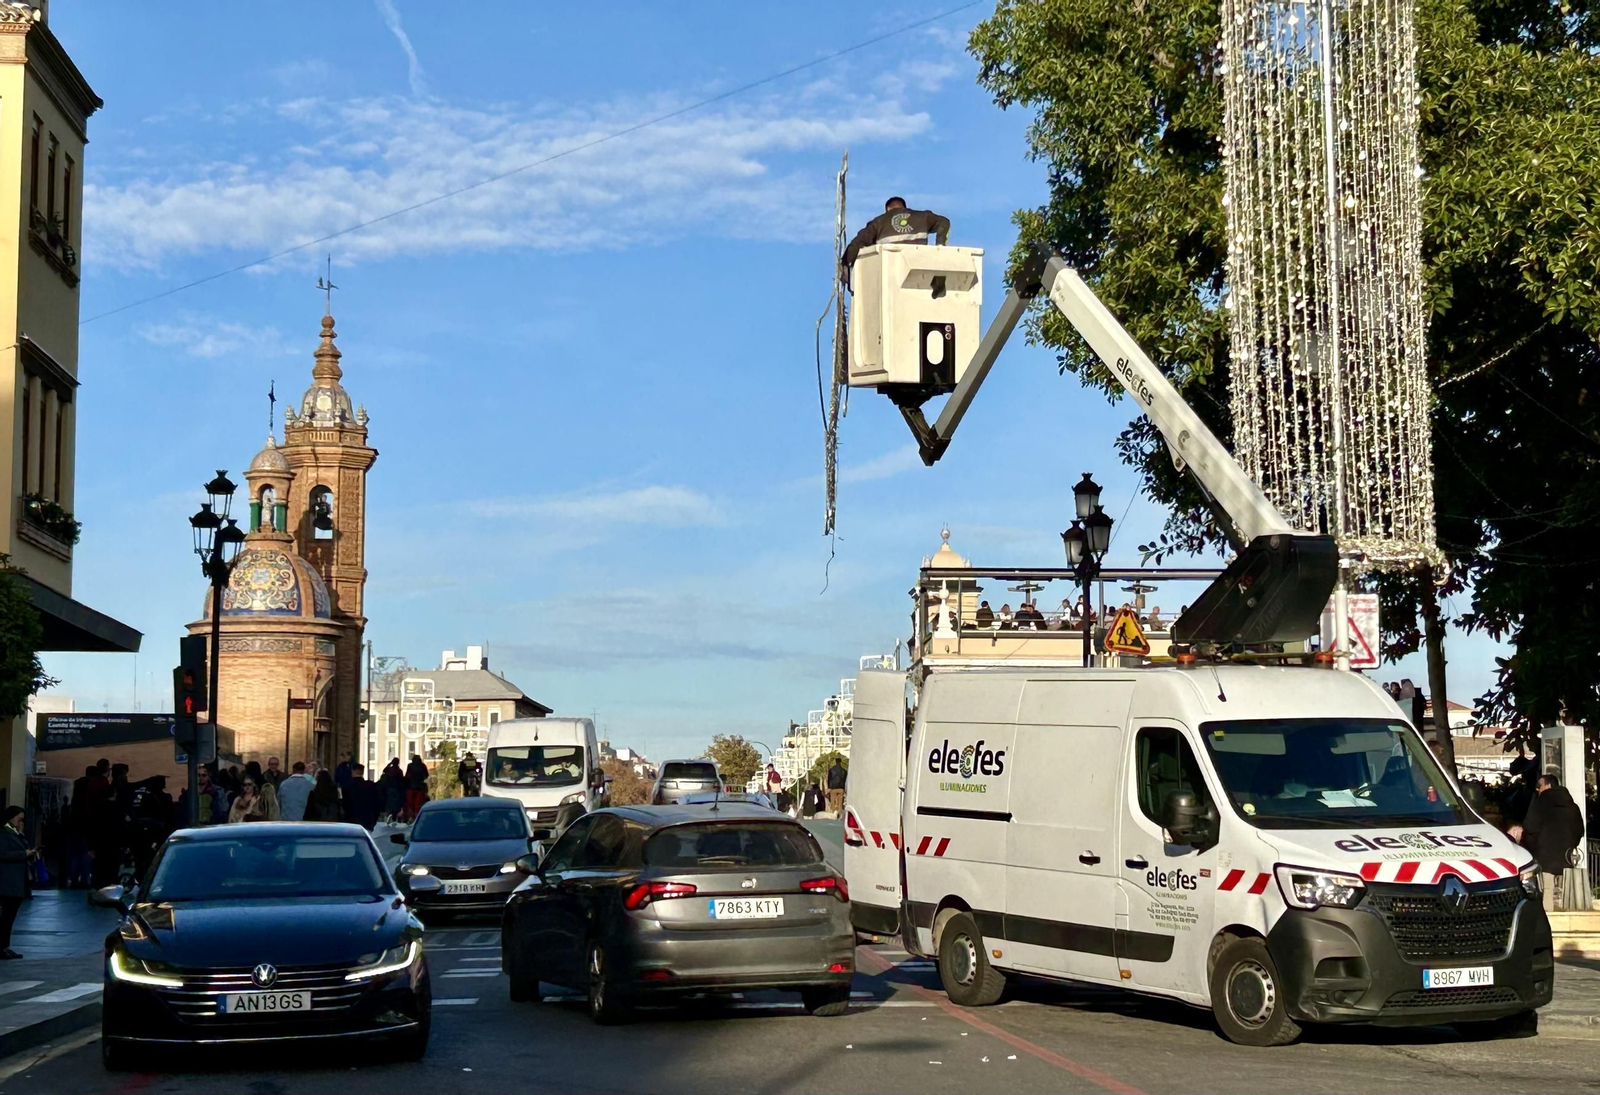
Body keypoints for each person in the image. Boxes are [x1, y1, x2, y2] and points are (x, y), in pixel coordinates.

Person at [1511, 772, 1584, 912]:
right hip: (1567, 856)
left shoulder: (1540, 803)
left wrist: (1532, 845)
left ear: (1548, 785)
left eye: (1539, 786)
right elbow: (1579, 830)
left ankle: (1549, 924)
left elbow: (1531, 827)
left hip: (1545, 855)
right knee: (1567, 894)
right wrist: (1570, 844)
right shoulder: (1571, 805)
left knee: (1547, 891)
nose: (1537, 789)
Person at [841, 196, 951, 277]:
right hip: (918, 265)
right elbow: (944, 222)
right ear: (904, 207)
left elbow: (857, 243)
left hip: (891, 271)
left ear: (888, 209)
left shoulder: (879, 222)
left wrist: (845, 264)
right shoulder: (922, 217)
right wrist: (940, 246)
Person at [0, 807, 35, 959]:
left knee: (10, 916)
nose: (20, 822)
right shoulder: (3, 834)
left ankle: (4, 945)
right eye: (18, 818)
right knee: (6, 916)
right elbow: (3, 854)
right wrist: (23, 854)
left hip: (16, 882)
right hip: (7, 882)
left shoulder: (15, 834)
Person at [343, 764, 381, 830]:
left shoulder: (347, 787)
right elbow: (377, 804)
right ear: (362, 772)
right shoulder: (371, 786)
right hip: (368, 820)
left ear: (352, 771)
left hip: (352, 821)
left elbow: (345, 805)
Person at [404, 755, 430, 821]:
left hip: (411, 787)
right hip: (420, 787)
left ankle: (411, 816)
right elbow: (426, 775)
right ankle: (416, 816)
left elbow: (407, 776)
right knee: (418, 803)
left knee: (410, 803)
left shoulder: (410, 766)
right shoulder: (422, 766)